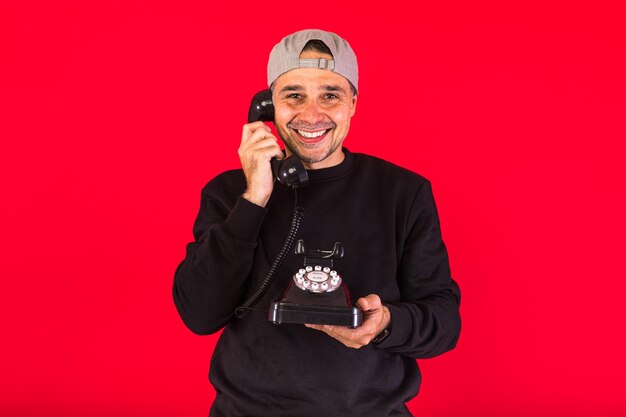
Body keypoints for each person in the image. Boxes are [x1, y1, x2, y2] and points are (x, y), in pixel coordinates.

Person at [173, 29, 461, 417]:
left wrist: (387, 322)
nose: (312, 115)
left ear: (353, 103)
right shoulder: (230, 193)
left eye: (330, 95)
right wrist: (255, 197)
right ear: (268, 106)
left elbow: (444, 324)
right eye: (294, 95)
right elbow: (199, 314)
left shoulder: (403, 194)